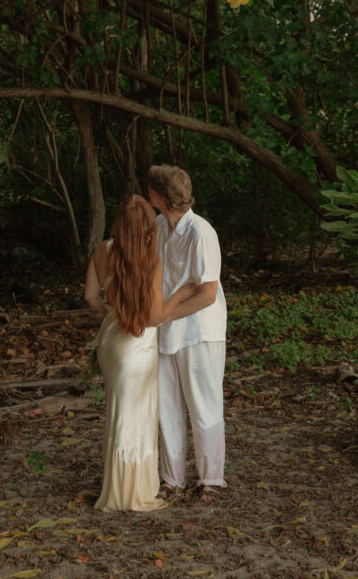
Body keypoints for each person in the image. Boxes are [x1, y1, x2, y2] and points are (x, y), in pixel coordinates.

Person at [84, 194, 197, 512]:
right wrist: (181, 294)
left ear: (119, 224)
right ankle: (132, 493)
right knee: (137, 418)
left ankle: (117, 487)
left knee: (119, 414)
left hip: (111, 340)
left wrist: (111, 312)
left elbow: (91, 296)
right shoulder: (150, 261)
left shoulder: (103, 250)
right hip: (138, 344)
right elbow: (156, 317)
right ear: (148, 228)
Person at [147, 164, 227, 501]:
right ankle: (172, 480)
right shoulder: (159, 226)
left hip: (199, 330)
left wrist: (165, 314)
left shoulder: (201, 232)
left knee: (203, 406)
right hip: (165, 331)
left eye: (151, 189)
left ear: (161, 197)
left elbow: (207, 293)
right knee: (167, 406)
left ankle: (211, 480)